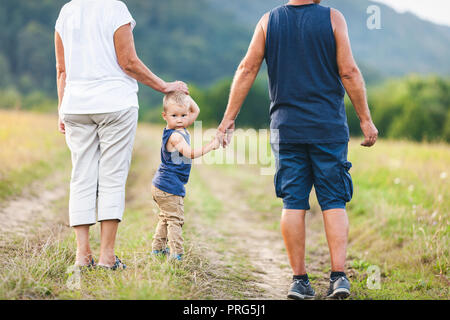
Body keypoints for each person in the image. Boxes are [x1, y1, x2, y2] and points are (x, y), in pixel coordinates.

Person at [216, 0, 378, 299]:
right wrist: (365, 120)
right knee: (334, 200)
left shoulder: (269, 21)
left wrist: (228, 119)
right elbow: (350, 72)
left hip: (287, 128)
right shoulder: (333, 18)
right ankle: (339, 277)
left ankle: (299, 281)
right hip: (327, 128)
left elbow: (247, 67)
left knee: (293, 202)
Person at [55, 0, 188, 269]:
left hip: (75, 105)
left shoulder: (66, 12)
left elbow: (62, 70)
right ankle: (107, 257)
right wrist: (165, 87)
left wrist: (62, 109)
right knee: (112, 178)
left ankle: (82, 256)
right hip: (115, 103)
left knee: (81, 176)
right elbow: (128, 62)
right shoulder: (115, 8)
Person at [151, 91, 220, 261]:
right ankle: (177, 254)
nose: (180, 119)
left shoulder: (179, 126)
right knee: (175, 219)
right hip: (169, 185)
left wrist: (185, 94)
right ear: (165, 116)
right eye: (174, 115)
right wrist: (210, 146)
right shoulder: (175, 136)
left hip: (163, 184)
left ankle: (157, 249)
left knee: (166, 218)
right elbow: (190, 154)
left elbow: (195, 111)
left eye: (183, 115)